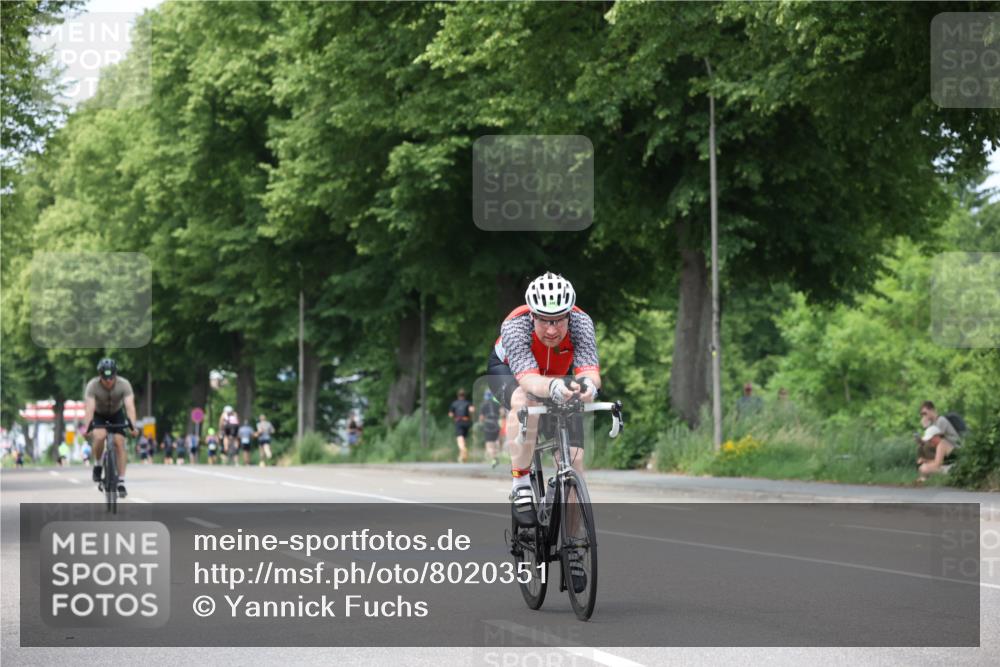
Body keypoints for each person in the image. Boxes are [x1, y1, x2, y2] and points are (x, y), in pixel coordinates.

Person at [486, 272, 601, 593]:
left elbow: (590, 372)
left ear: (569, 315)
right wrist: (552, 387)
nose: (552, 329)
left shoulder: (582, 323)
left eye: (559, 320)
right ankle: (521, 483)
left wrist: (588, 387)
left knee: (575, 460)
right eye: (545, 321)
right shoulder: (515, 325)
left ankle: (574, 547)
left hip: (556, 379)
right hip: (510, 374)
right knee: (526, 402)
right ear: (532, 315)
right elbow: (529, 381)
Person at [82, 358, 139, 497]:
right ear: (100, 375)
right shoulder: (92, 385)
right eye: (105, 378)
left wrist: (133, 426)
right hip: (99, 414)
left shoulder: (124, 384)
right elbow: (89, 408)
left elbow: (130, 407)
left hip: (116, 414)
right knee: (99, 436)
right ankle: (98, 463)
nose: (108, 381)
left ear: (115, 374)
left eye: (111, 378)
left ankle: (121, 481)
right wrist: (87, 428)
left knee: (119, 442)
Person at [915, 400, 962, 483]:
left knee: (927, 447)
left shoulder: (941, 420)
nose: (924, 416)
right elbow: (931, 439)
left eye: (925, 413)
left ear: (932, 410)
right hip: (944, 449)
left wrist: (926, 427)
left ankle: (932, 472)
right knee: (921, 447)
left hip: (952, 447)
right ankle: (926, 475)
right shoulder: (933, 423)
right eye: (922, 414)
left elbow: (936, 437)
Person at [448, 389, 475, 463]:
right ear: (464, 395)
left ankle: (463, 450)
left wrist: (453, 416)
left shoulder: (454, 403)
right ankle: (461, 457)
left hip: (459, 422)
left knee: (460, 439)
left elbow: (450, 414)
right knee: (464, 439)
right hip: (466, 422)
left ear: (458, 395)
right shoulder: (467, 403)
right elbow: (472, 410)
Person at [479, 389, 503, 468]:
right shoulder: (497, 404)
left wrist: (481, 424)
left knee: (489, 444)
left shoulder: (483, 405)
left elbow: (481, 418)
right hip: (496, 424)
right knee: (496, 441)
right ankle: (496, 454)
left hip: (488, 425)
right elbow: (502, 413)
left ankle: (494, 459)